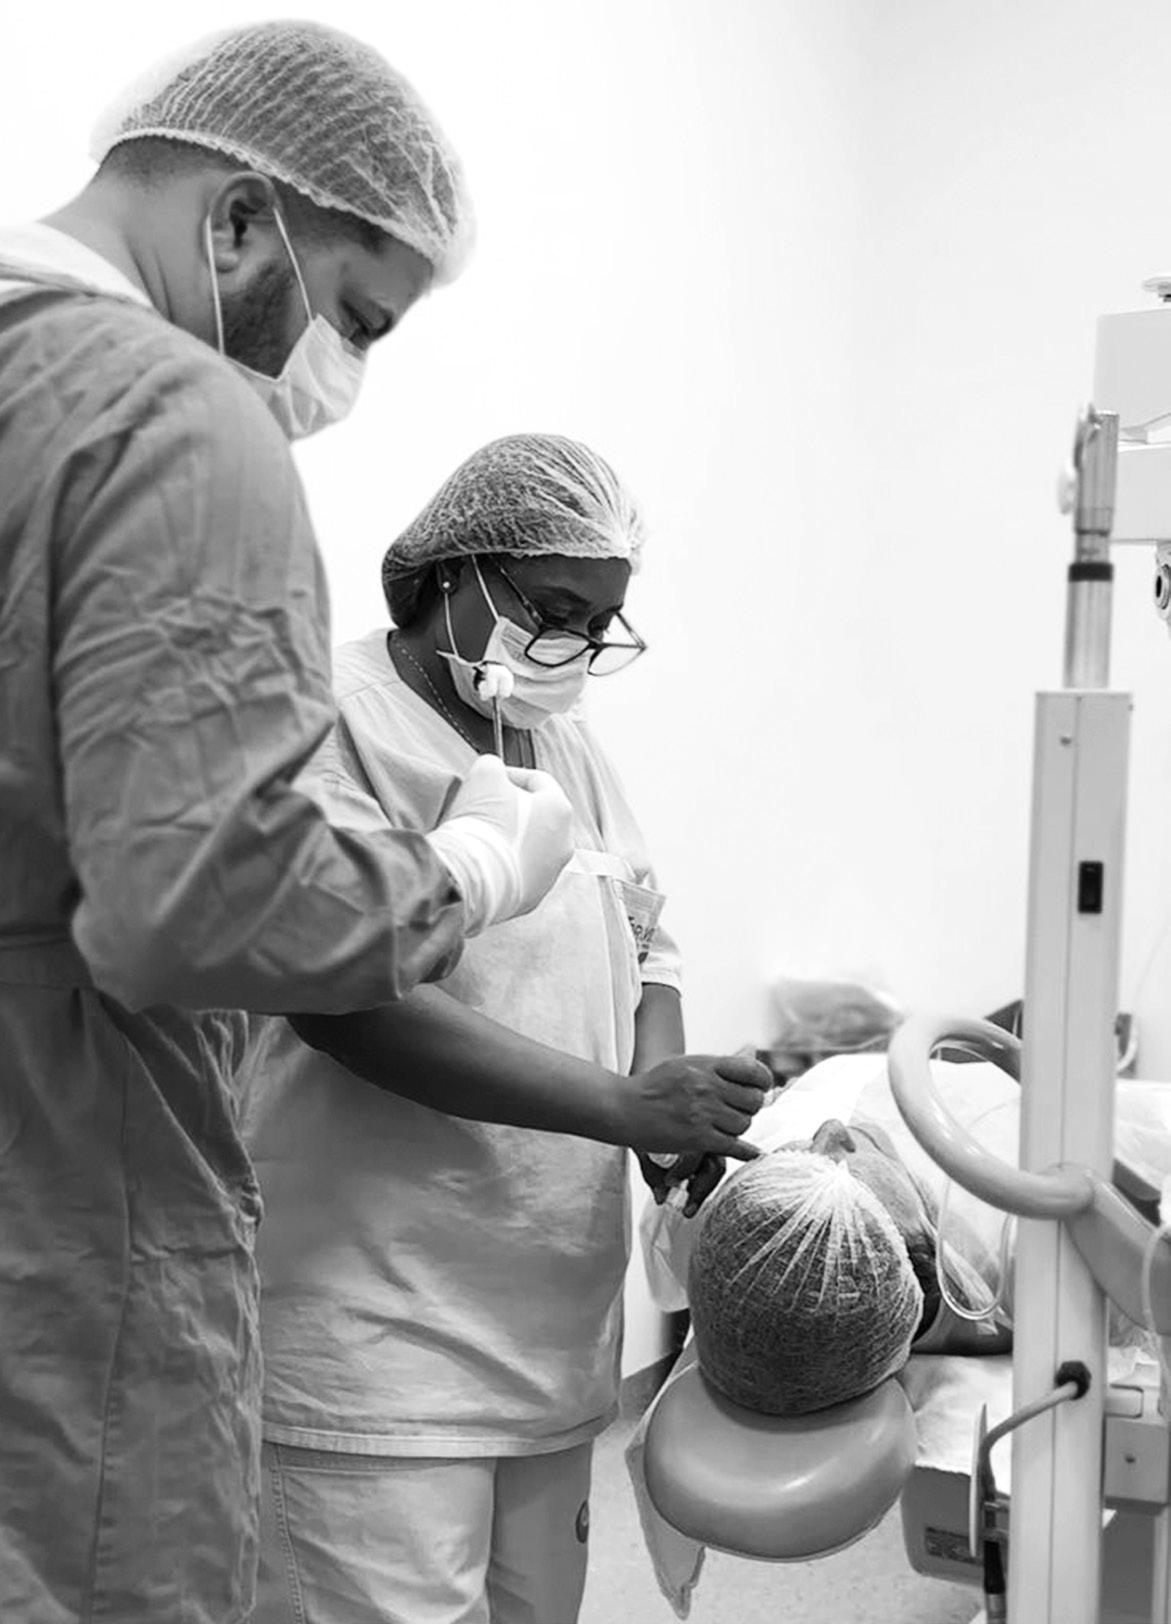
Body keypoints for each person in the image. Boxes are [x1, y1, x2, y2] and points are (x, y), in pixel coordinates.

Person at [0, 27, 761, 1624]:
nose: (334, 372)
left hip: (454, 1305)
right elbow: (216, 907)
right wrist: (461, 873)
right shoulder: (168, 422)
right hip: (113, 1214)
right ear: (236, 222)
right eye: (354, 316)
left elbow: (640, 933)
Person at [239, 432, 771, 1624]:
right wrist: (620, 1105)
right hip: (374, 1335)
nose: (569, 645)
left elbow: (645, 936)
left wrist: (665, 1106)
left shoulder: (557, 739)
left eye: (598, 622)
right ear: (452, 570)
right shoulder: (330, 720)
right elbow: (345, 1002)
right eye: (550, 609)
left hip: (546, 1325)